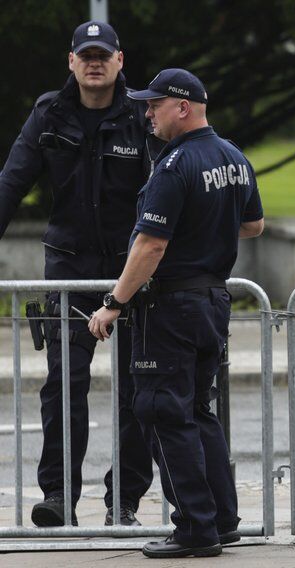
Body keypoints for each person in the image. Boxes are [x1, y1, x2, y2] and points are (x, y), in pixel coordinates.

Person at [88, 68, 264, 559]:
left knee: (164, 412)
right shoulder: (233, 157)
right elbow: (253, 223)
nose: (146, 114)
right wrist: (206, 231)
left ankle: (194, 527)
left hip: (170, 307)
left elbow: (150, 244)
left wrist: (113, 304)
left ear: (182, 107)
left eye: (154, 105)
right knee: (196, 412)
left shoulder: (175, 165)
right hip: (211, 300)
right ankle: (222, 521)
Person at [0, 21, 156, 527]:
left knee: (138, 387)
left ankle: (124, 501)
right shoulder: (49, 113)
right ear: (71, 61)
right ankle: (58, 496)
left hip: (129, 270)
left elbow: (166, 191)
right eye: (85, 54)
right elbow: (11, 183)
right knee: (64, 383)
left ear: (119, 60)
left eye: (102, 55)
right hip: (68, 268)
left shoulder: (139, 116)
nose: (94, 62)